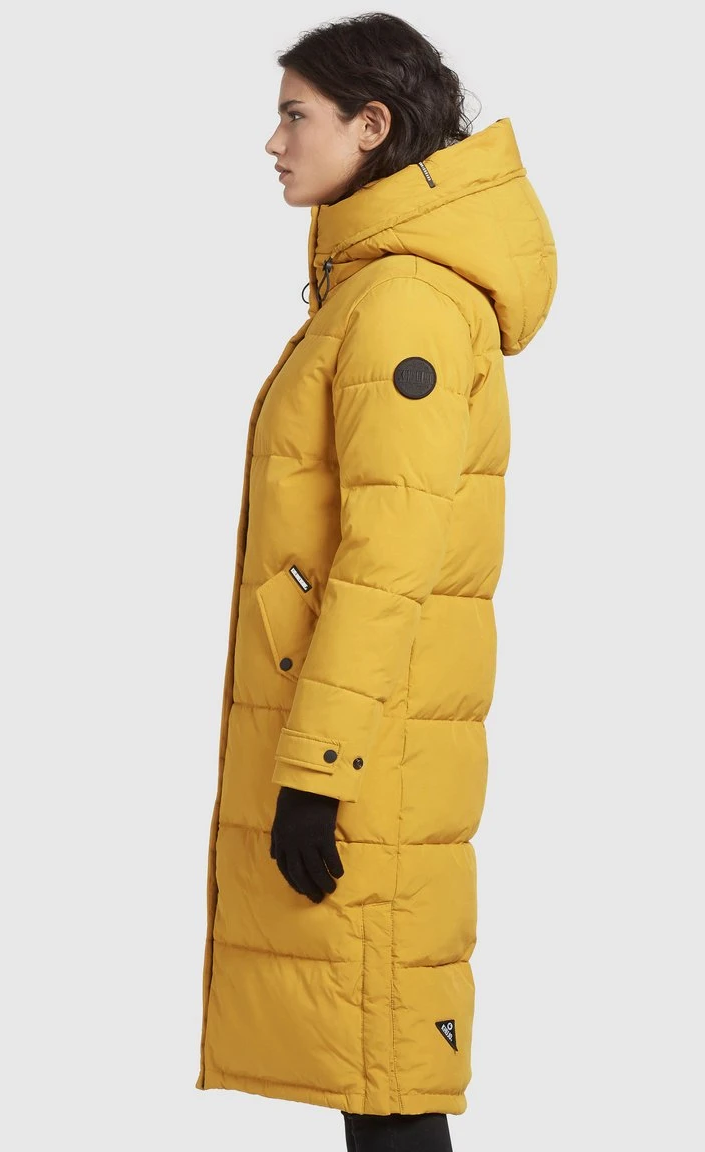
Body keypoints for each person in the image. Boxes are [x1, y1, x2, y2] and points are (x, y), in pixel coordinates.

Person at [195, 12, 557, 1151]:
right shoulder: (370, 291)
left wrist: (318, 774)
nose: (273, 143)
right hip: (370, 741)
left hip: (370, 763)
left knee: (387, 1077)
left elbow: (388, 562)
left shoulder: (403, 302)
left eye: (294, 116)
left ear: (371, 125)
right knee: (374, 1072)